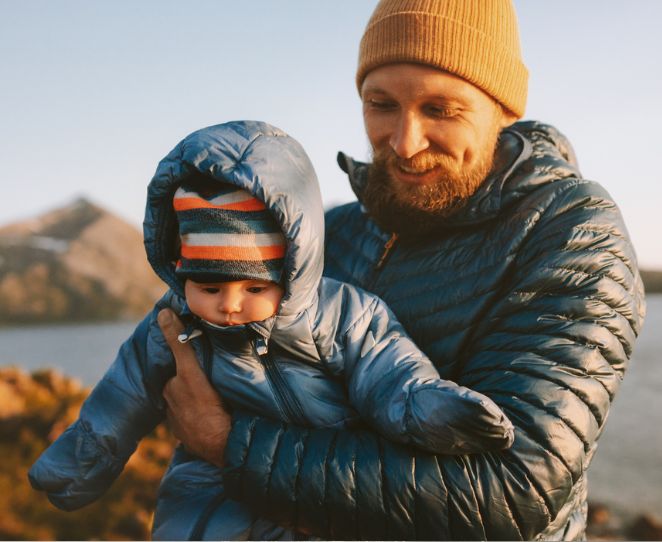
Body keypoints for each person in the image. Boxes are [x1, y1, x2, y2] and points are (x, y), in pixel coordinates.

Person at [157, 1, 647, 540]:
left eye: (441, 109)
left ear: (504, 109)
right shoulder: (331, 232)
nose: (405, 142)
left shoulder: (572, 230)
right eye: (381, 104)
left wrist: (230, 445)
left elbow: (513, 490)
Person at [28, 120, 516, 540]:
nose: (230, 306)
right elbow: (123, 394)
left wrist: (434, 410)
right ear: (180, 269)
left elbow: (389, 373)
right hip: (209, 488)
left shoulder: (341, 313)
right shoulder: (172, 324)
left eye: (253, 287)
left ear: (293, 268)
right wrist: (82, 457)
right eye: (209, 286)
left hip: (324, 488)